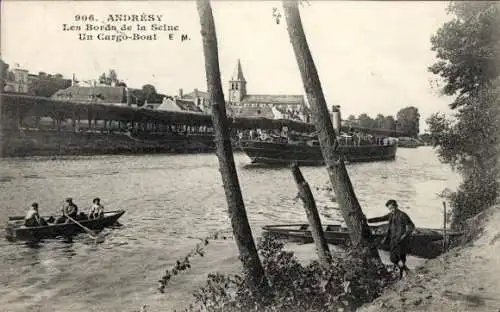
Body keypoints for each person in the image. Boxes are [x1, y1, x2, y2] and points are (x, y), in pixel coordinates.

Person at [367, 199, 415, 279]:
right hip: (393, 240)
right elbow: (380, 218)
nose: (391, 210)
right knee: (394, 258)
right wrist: (368, 220)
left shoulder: (402, 215)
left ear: (396, 206)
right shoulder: (391, 215)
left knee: (398, 258)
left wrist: (404, 236)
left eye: (392, 208)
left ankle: (403, 275)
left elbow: (411, 226)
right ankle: (406, 272)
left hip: (401, 241)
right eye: (390, 209)